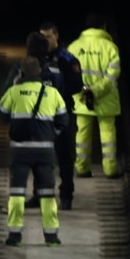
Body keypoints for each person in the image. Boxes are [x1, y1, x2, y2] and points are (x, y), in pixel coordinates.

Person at [0, 55, 68, 247]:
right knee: (47, 194)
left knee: (17, 193)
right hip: (45, 151)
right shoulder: (52, 93)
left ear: (21, 73)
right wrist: (51, 135)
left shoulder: (14, 91)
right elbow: (63, 121)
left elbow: (2, 115)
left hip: (20, 151)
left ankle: (14, 236)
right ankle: (51, 237)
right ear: (39, 72)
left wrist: (13, 86)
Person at [67, 12, 122, 178]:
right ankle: (111, 169)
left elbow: (70, 75)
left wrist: (85, 90)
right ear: (103, 27)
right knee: (108, 135)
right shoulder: (110, 47)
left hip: (82, 99)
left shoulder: (74, 47)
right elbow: (112, 77)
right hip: (106, 100)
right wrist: (96, 90)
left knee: (82, 134)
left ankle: (82, 168)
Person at [38, 20, 83, 209]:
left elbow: (76, 85)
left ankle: (66, 196)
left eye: (48, 36)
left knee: (64, 157)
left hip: (60, 113)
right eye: (42, 37)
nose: (45, 40)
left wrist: (57, 90)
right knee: (39, 156)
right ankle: (39, 194)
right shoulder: (37, 58)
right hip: (40, 114)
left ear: (56, 36)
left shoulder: (67, 59)